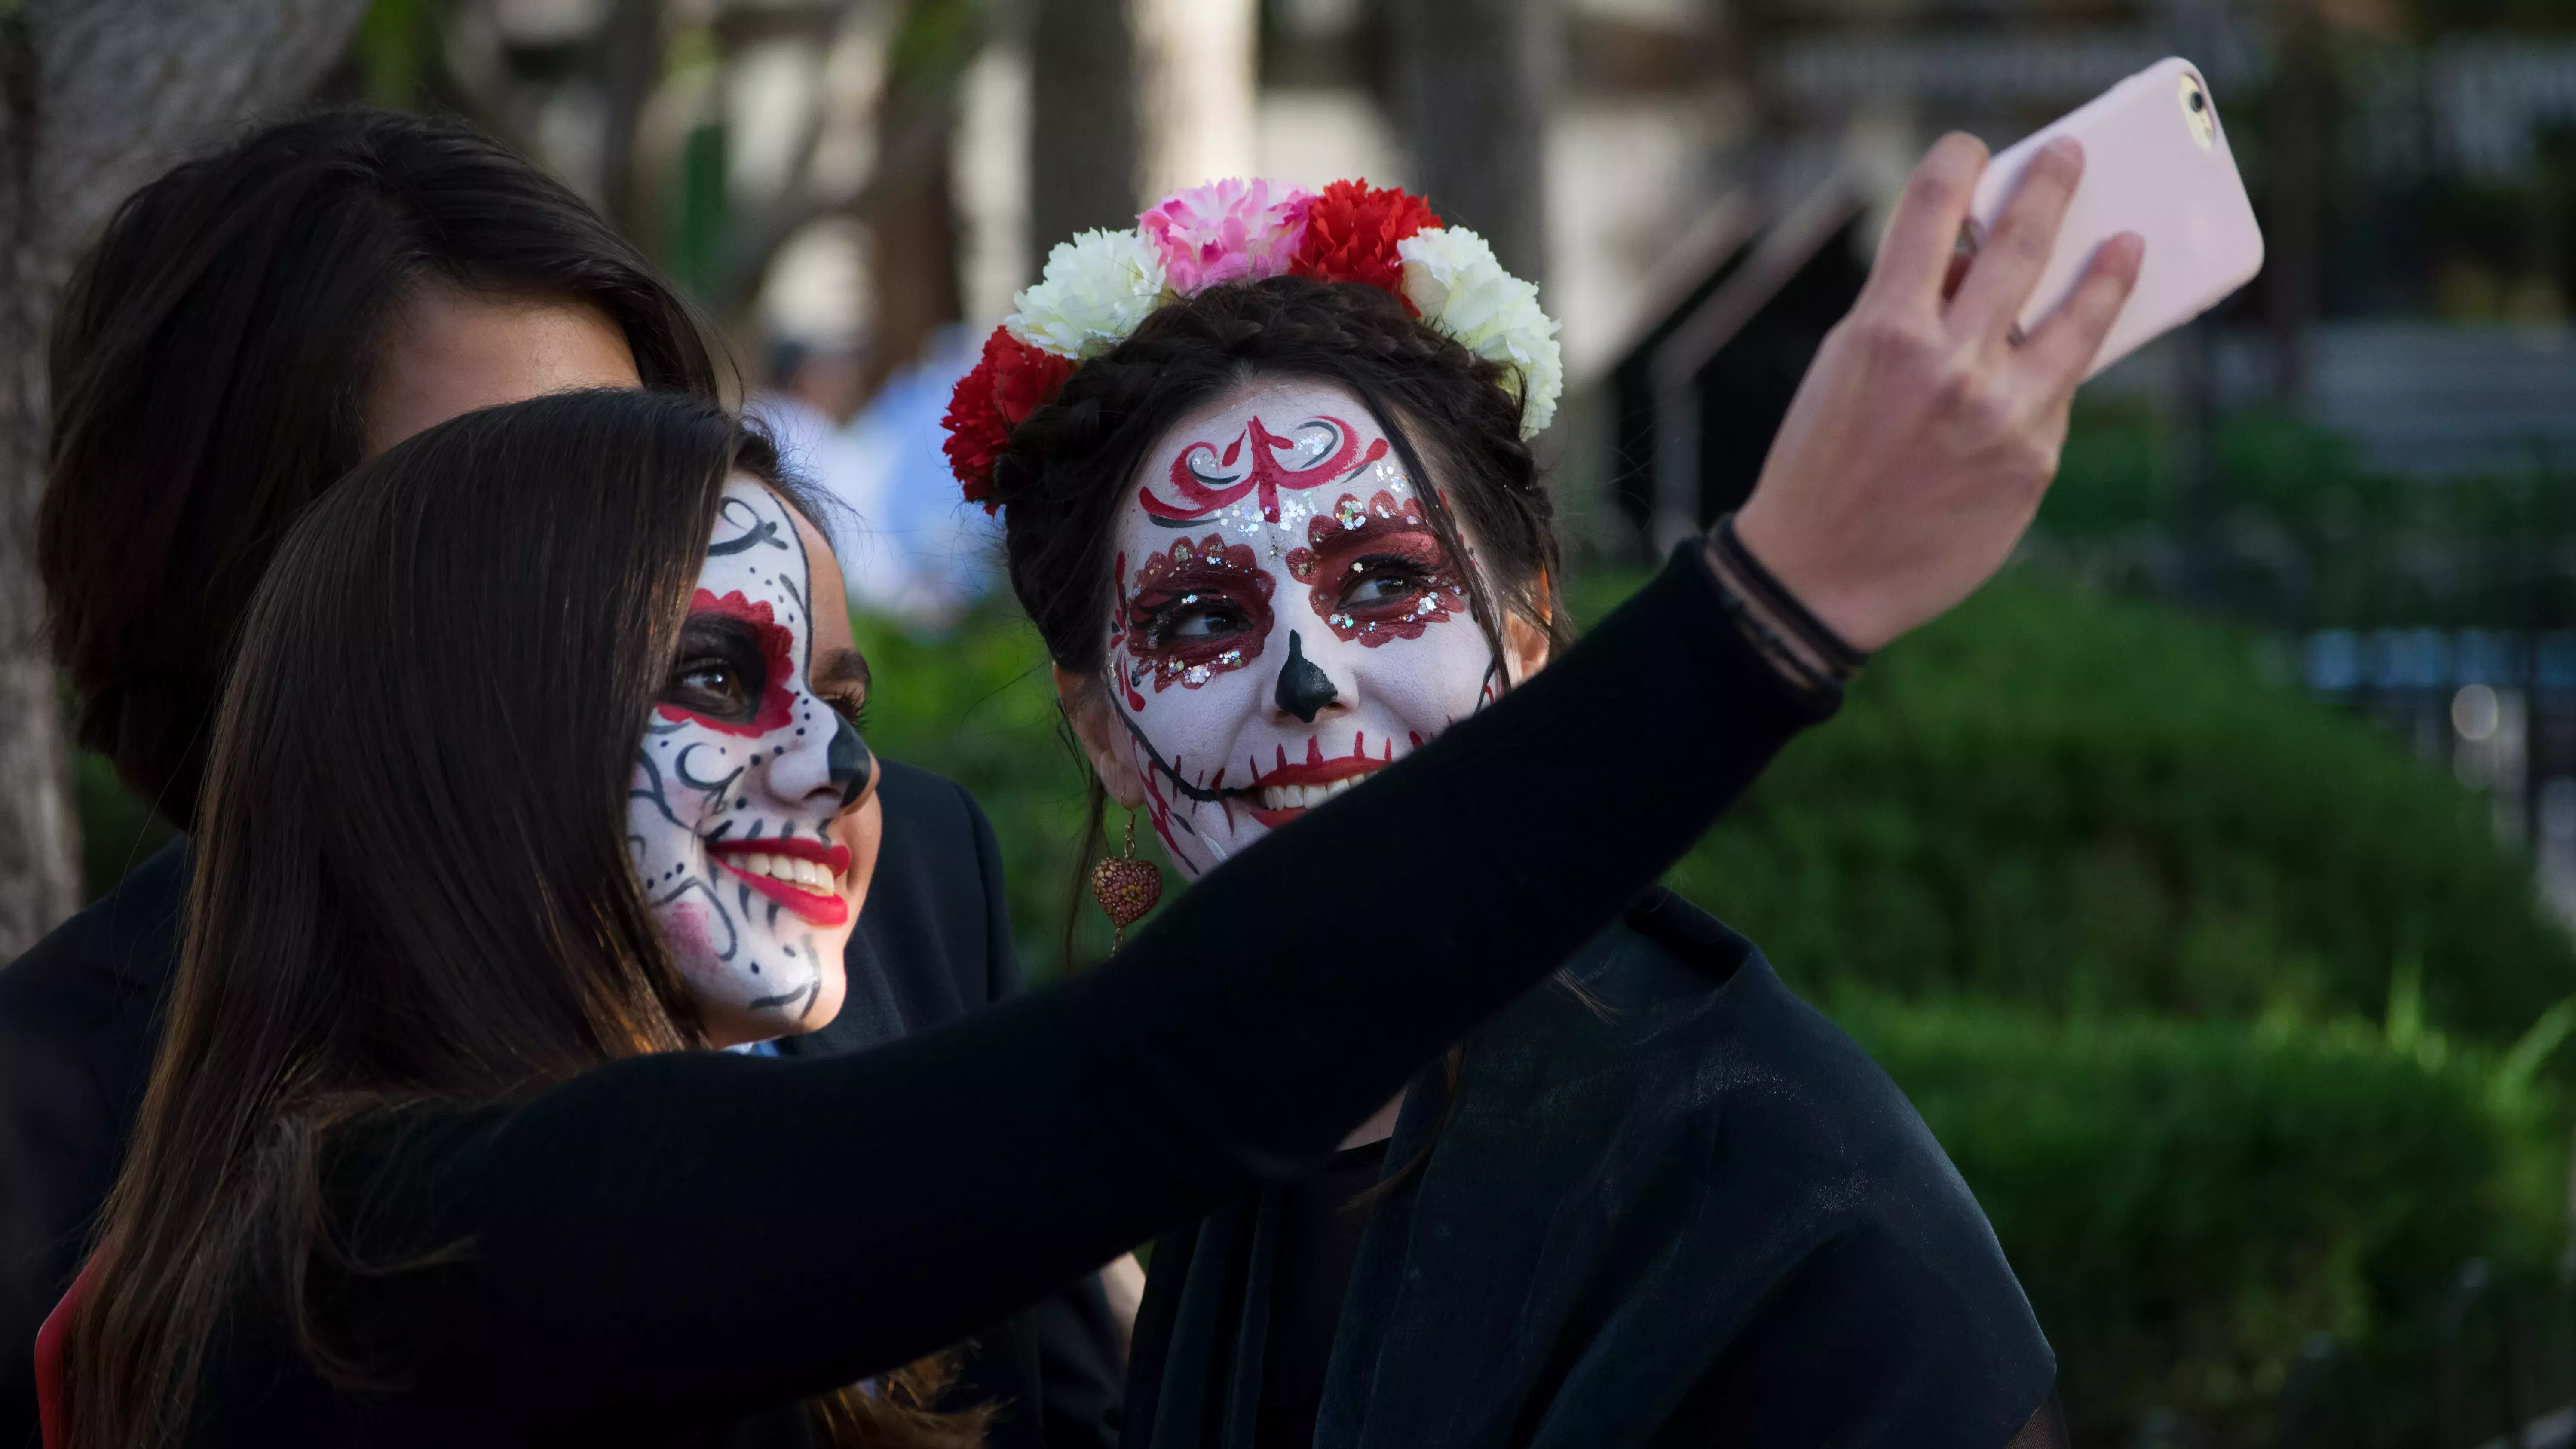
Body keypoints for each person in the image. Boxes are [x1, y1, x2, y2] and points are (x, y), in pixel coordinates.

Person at [55, 125, 2136, 1447]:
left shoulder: (1755, 1162)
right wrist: (1778, 603)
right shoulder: (417, 1227)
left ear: (1530, 618)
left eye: (847, 685)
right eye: (707, 670)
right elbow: (1155, 1074)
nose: (836, 757)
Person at [958, 154, 2125, 1447]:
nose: (1308, 677)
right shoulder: (1194, 1165)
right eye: (1199, 616)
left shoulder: (1767, 1177)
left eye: (1386, 583)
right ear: (1103, 732)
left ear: (1531, 639)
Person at [1, 109, 1116, 1449]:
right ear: (264, 593)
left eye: (632, 470)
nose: (595, 554)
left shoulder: (905, 866)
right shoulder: (49, 1111)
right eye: (484, 515)